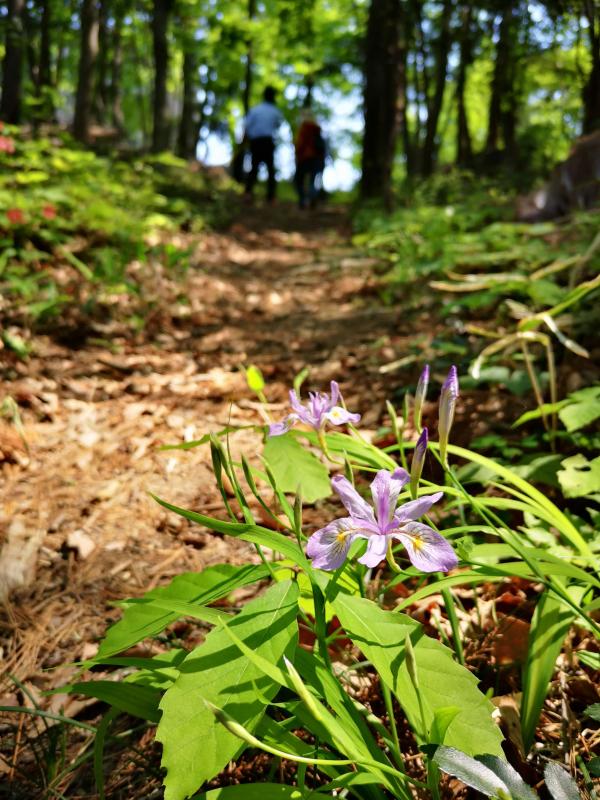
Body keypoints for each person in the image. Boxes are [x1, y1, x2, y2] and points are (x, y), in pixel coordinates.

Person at [243, 86, 284, 202]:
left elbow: (246, 126)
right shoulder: (276, 111)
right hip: (268, 141)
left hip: (255, 142)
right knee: (270, 169)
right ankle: (271, 197)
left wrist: (244, 140)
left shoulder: (255, 110)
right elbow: (277, 125)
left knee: (254, 167)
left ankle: (248, 193)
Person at [294, 110, 327, 209]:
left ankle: (303, 200)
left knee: (299, 180)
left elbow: (300, 144)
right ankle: (312, 198)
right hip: (316, 158)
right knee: (312, 181)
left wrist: (297, 154)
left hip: (304, 157)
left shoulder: (304, 128)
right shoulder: (317, 129)